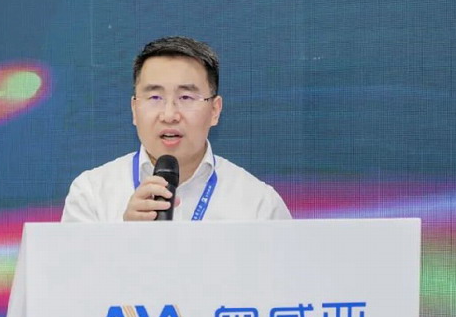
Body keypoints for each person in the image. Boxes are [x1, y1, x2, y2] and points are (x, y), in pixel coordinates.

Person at [61, 36, 291, 222]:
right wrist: (124, 238)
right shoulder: (91, 195)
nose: (169, 115)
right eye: (154, 97)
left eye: (186, 97)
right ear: (134, 109)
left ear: (215, 110)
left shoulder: (259, 206)